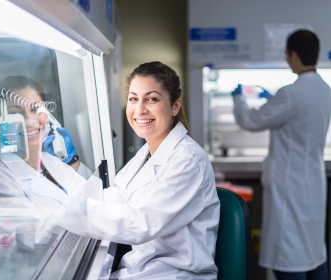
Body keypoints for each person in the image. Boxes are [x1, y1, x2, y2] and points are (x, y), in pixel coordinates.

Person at [44, 62, 220, 280]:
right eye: (133, 98)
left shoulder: (188, 160)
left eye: (152, 99)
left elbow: (140, 223)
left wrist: (64, 209)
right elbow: (113, 197)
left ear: (175, 106)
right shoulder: (146, 152)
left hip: (174, 275)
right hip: (145, 271)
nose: (140, 109)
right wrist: (68, 165)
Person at [232, 30, 331, 279]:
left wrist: (238, 100)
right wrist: (273, 98)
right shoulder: (325, 90)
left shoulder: (290, 93)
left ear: (293, 55)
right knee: (312, 250)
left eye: (287, 54)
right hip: (313, 183)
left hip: (290, 187)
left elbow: (251, 121)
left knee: (288, 257)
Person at [0, 75, 92, 202]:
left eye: (35, 109)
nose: (29, 121)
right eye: (15, 113)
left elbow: (96, 198)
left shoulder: (54, 161)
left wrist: (73, 161)